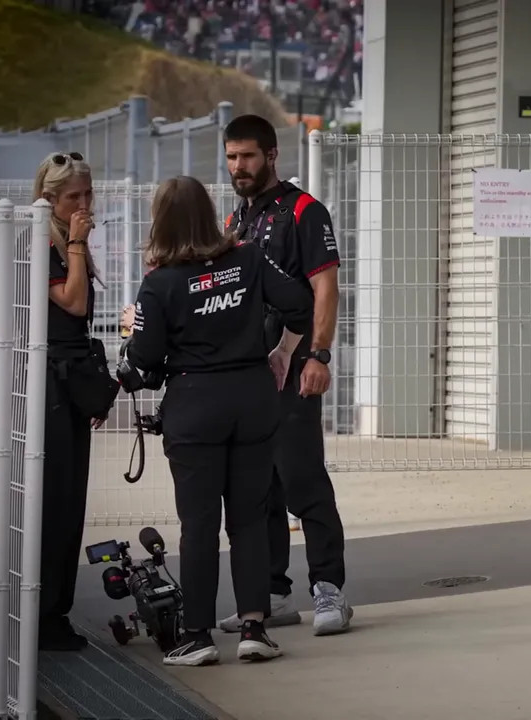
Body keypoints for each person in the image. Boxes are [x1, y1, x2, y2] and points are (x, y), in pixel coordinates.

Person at [119, 175, 314, 666]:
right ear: (208, 213)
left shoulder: (159, 283)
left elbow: (142, 365)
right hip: (252, 398)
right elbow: (300, 303)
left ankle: (197, 636)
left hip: (194, 406)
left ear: (160, 221)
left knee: (199, 524)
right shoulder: (248, 257)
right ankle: (254, 628)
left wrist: (131, 329)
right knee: (249, 519)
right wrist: (283, 352)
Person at [215, 114, 352, 636]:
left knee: (301, 479)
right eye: (231, 157)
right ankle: (270, 593)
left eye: (247, 156)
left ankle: (330, 591)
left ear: (271, 155)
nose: (238, 166)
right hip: (250, 375)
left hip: (295, 367)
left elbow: (326, 288)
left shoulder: (304, 211)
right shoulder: (236, 220)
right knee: (258, 487)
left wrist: (318, 355)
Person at [36, 151, 120, 651]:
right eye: (74, 197)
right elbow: (72, 301)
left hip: (70, 379)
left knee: (69, 501)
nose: (84, 205)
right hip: (51, 382)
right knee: (56, 500)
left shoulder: (67, 240)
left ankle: (53, 609)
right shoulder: (45, 241)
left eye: (88, 194)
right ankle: (45, 613)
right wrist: (75, 242)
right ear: (51, 199)